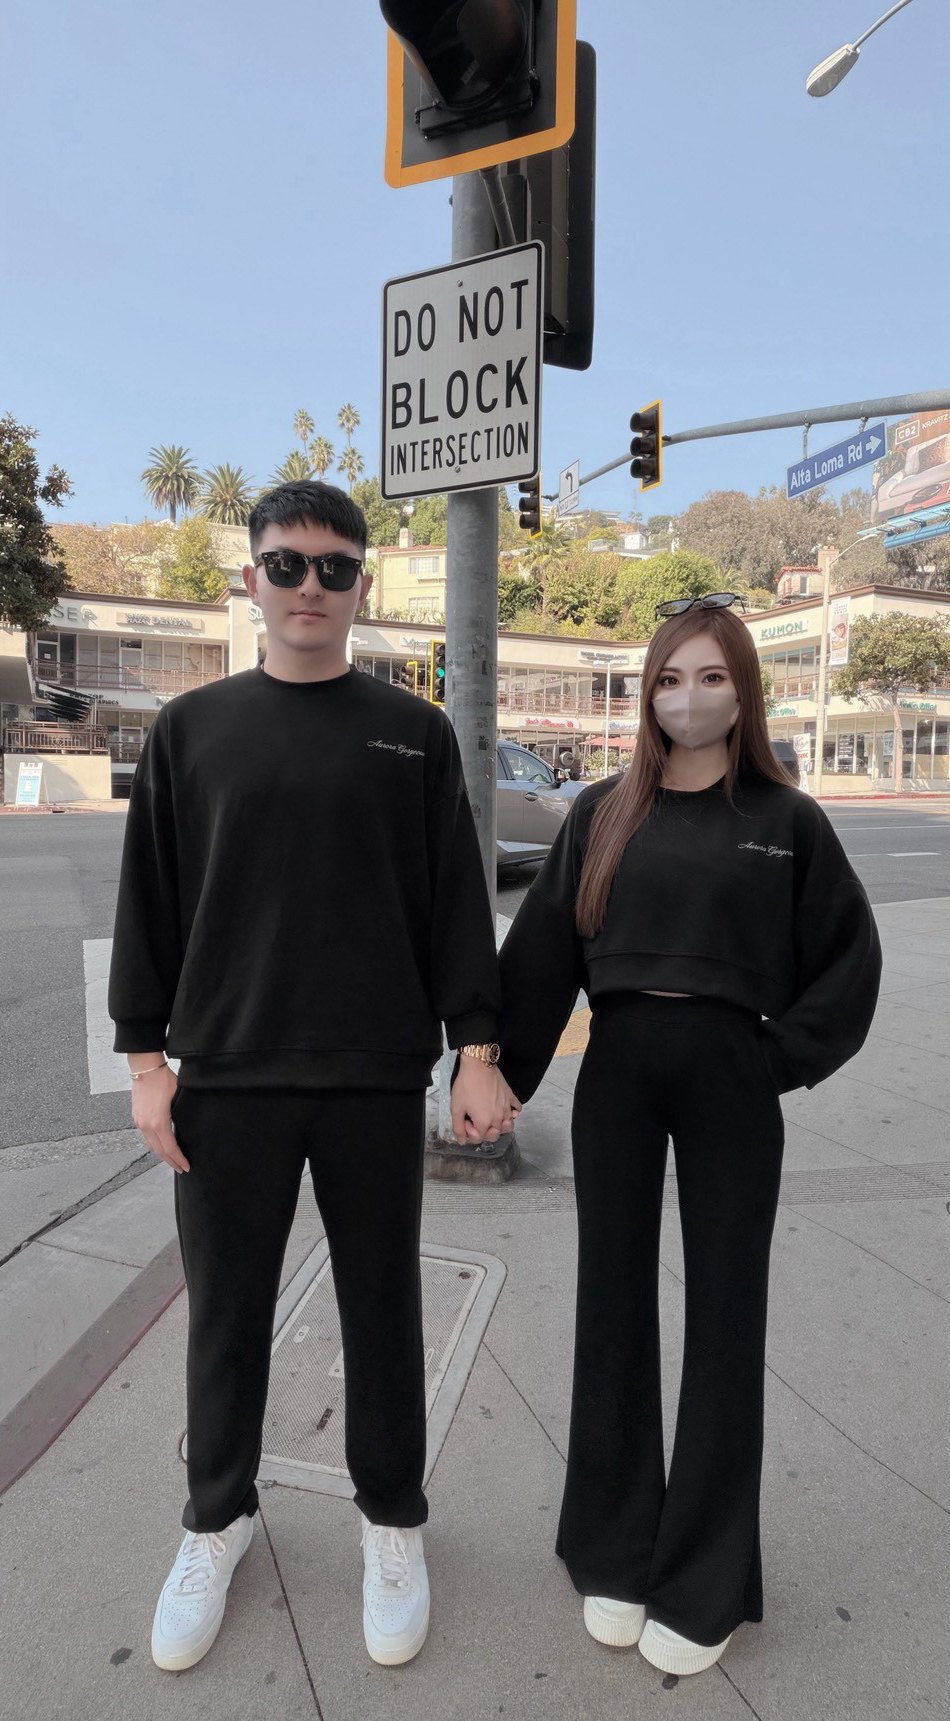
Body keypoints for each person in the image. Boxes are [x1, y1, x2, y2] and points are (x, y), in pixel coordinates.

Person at [109, 480, 518, 1674]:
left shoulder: (411, 732)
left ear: (360, 585)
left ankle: (391, 1519)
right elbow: (150, 902)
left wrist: (476, 1049)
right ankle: (216, 1517)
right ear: (250, 579)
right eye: (286, 564)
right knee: (225, 1316)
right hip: (225, 1074)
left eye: (334, 567)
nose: (309, 586)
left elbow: (454, 901)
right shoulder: (189, 729)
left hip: (372, 1076)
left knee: (382, 1309)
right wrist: (145, 1061)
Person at [495, 594, 881, 1677]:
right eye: (670, 677)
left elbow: (849, 958)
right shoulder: (602, 811)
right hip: (617, 1069)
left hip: (730, 1078)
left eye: (712, 676)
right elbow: (540, 953)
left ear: (742, 690)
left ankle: (704, 1579)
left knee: (724, 1319)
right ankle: (612, 1548)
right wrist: (494, 1071)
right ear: (647, 693)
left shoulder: (786, 819)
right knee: (610, 1305)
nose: (689, 696)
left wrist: (775, 1058)